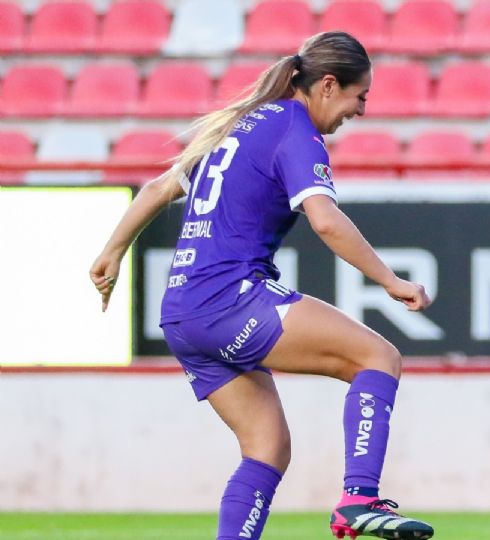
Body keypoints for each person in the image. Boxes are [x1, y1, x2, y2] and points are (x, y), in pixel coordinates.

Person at [90, 32, 435, 540]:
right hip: (230, 299)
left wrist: (112, 252)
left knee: (267, 447)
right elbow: (326, 221)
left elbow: (158, 188)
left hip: (183, 315)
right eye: (359, 97)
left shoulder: (238, 125)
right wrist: (390, 281)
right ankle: (359, 500)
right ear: (328, 85)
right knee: (378, 358)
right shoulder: (295, 129)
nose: (360, 110)